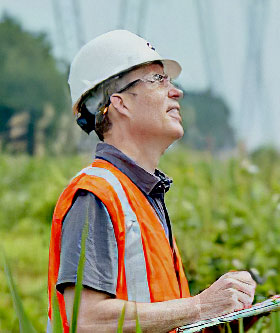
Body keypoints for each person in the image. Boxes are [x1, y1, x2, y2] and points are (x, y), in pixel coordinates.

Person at [48, 30, 256, 333]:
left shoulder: (143, 196)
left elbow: (161, 317)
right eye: (159, 79)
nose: (176, 92)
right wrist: (200, 306)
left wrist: (217, 323)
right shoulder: (96, 194)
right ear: (120, 104)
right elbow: (87, 321)